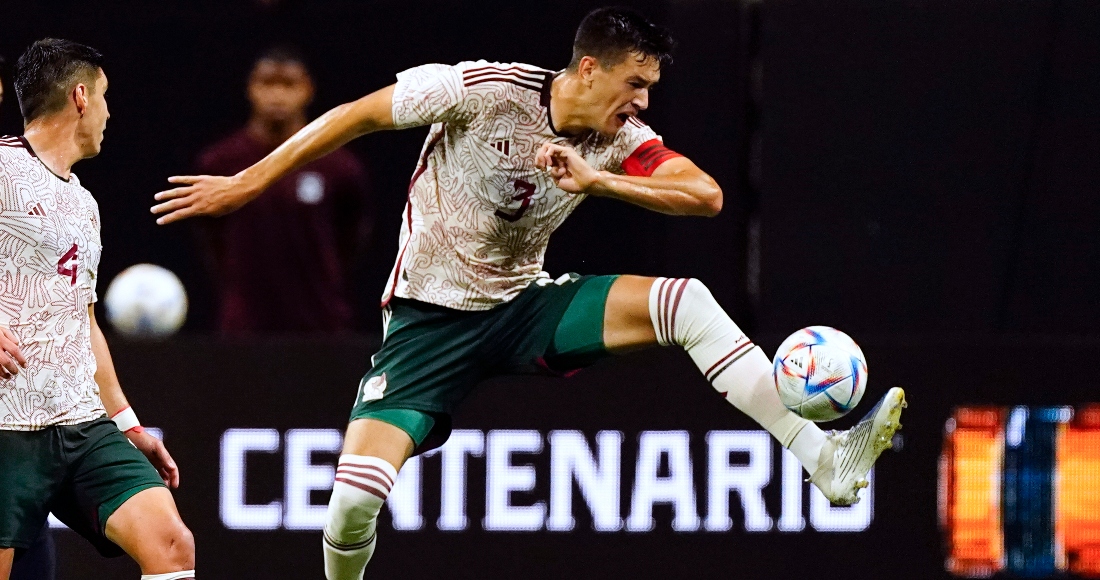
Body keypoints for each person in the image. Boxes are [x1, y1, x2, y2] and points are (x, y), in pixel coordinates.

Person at [151, 8, 906, 579]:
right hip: (426, 324)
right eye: (633, 83)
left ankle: (821, 457)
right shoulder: (478, 90)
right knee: (351, 504)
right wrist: (246, 183)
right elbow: (356, 116)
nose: (641, 103)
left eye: (648, 88)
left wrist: (600, 179)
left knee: (688, 301)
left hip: (521, 309)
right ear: (587, 69)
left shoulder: (619, 141)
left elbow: (704, 195)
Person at [0, 39, 196, 580]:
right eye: (106, 97)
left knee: (172, 544)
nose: (111, 113)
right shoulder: (3, 169)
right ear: (81, 97)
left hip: (82, 426)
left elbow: (82, 320)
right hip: (7, 425)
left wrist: (127, 423)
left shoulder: (85, 204)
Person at [194, 46, 371, 335]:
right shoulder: (219, 161)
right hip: (243, 328)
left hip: (321, 325)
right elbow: (210, 238)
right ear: (251, 88)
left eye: (288, 84)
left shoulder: (339, 166)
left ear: (308, 89)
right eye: (267, 83)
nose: (277, 94)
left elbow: (352, 236)